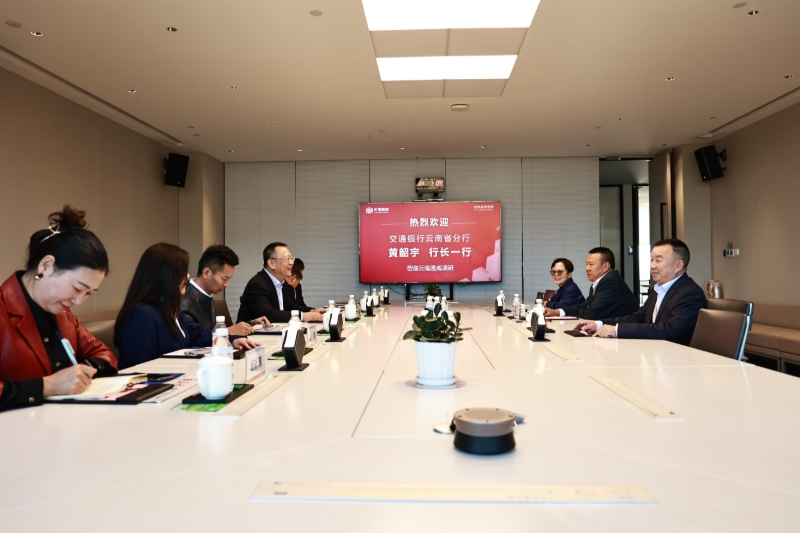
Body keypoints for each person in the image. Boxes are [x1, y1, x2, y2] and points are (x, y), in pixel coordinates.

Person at [0, 205, 117, 411]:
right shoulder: (4, 310)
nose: (79, 301)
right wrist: (47, 386)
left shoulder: (63, 314)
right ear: (46, 266)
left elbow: (104, 354)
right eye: (77, 288)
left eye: (89, 293)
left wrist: (83, 371)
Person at [115, 243, 258, 370]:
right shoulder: (142, 314)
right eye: (182, 271)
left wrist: (232, 340)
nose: (188, 275)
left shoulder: (169, 309)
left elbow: (199, 333)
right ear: (164, 276)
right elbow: (143, 368)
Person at [573, 239, 707, 345]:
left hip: (677, 360)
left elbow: (670, 330)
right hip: (655, 352)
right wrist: (599, 324)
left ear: (679, 265)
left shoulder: (690, 293)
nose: (652, 265)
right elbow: (638, 318)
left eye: (658, 260)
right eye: (651, 260)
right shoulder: (658, 289)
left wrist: (617, 330)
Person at [181, 244, 268, 335]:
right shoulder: (184, 301)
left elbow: (211, 330)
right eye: (224, 279)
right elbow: (195, 337)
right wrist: (228, 331)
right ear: (206, 273)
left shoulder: (205, 294)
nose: (226, 284)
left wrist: (251, 324)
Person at [236, 243, 323, 323]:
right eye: (287, 259)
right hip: (252, 334)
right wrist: (303, 316)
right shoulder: (257, 285)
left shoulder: (283, 283)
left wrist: (312, 311)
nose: (292, 262)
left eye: (291, 258)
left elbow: (291, 307)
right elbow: (269, 314)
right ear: (271, 263)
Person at [544, 247, 638, 320]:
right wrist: (556, 312)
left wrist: (583, 310)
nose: (587, 268)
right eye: (587, 264)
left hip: (626, 334)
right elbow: (584, 305)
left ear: (606, 266)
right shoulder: (599, 282)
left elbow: (591, 313)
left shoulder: (610, 281)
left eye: (591, 264)